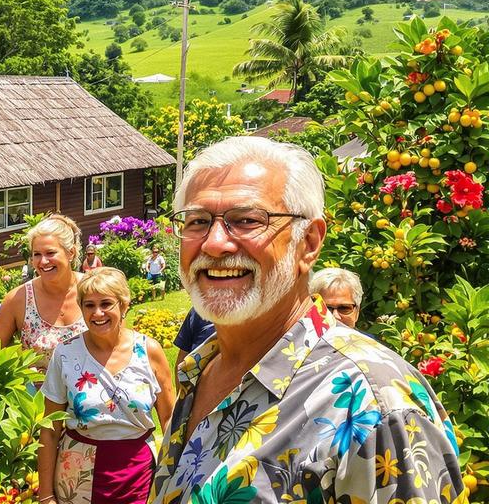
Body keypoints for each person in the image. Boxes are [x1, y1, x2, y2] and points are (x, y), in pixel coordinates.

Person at [152, 136, 462, 504]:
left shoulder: (372, 404)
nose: (215, 243)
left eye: (248, 220)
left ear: (310, 242)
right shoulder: (199, 370)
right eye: (198, 221)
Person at [37, 267, 175, 504]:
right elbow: (50, 431)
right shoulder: (66, 353)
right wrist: (46, 495)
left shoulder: (149, 351)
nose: (97, 313)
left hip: (138, 472)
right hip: (77, 472)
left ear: (124, 305)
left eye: (106, 304)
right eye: (89, 305)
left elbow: (171, 423)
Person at [0, 214, 86, 370]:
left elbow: (117, 341)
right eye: (37, 254)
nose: (43, 261)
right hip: (39, 393)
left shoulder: (92, 289)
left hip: (95, 392)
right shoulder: (18, 299)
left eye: (50, 253)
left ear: (71, 253)